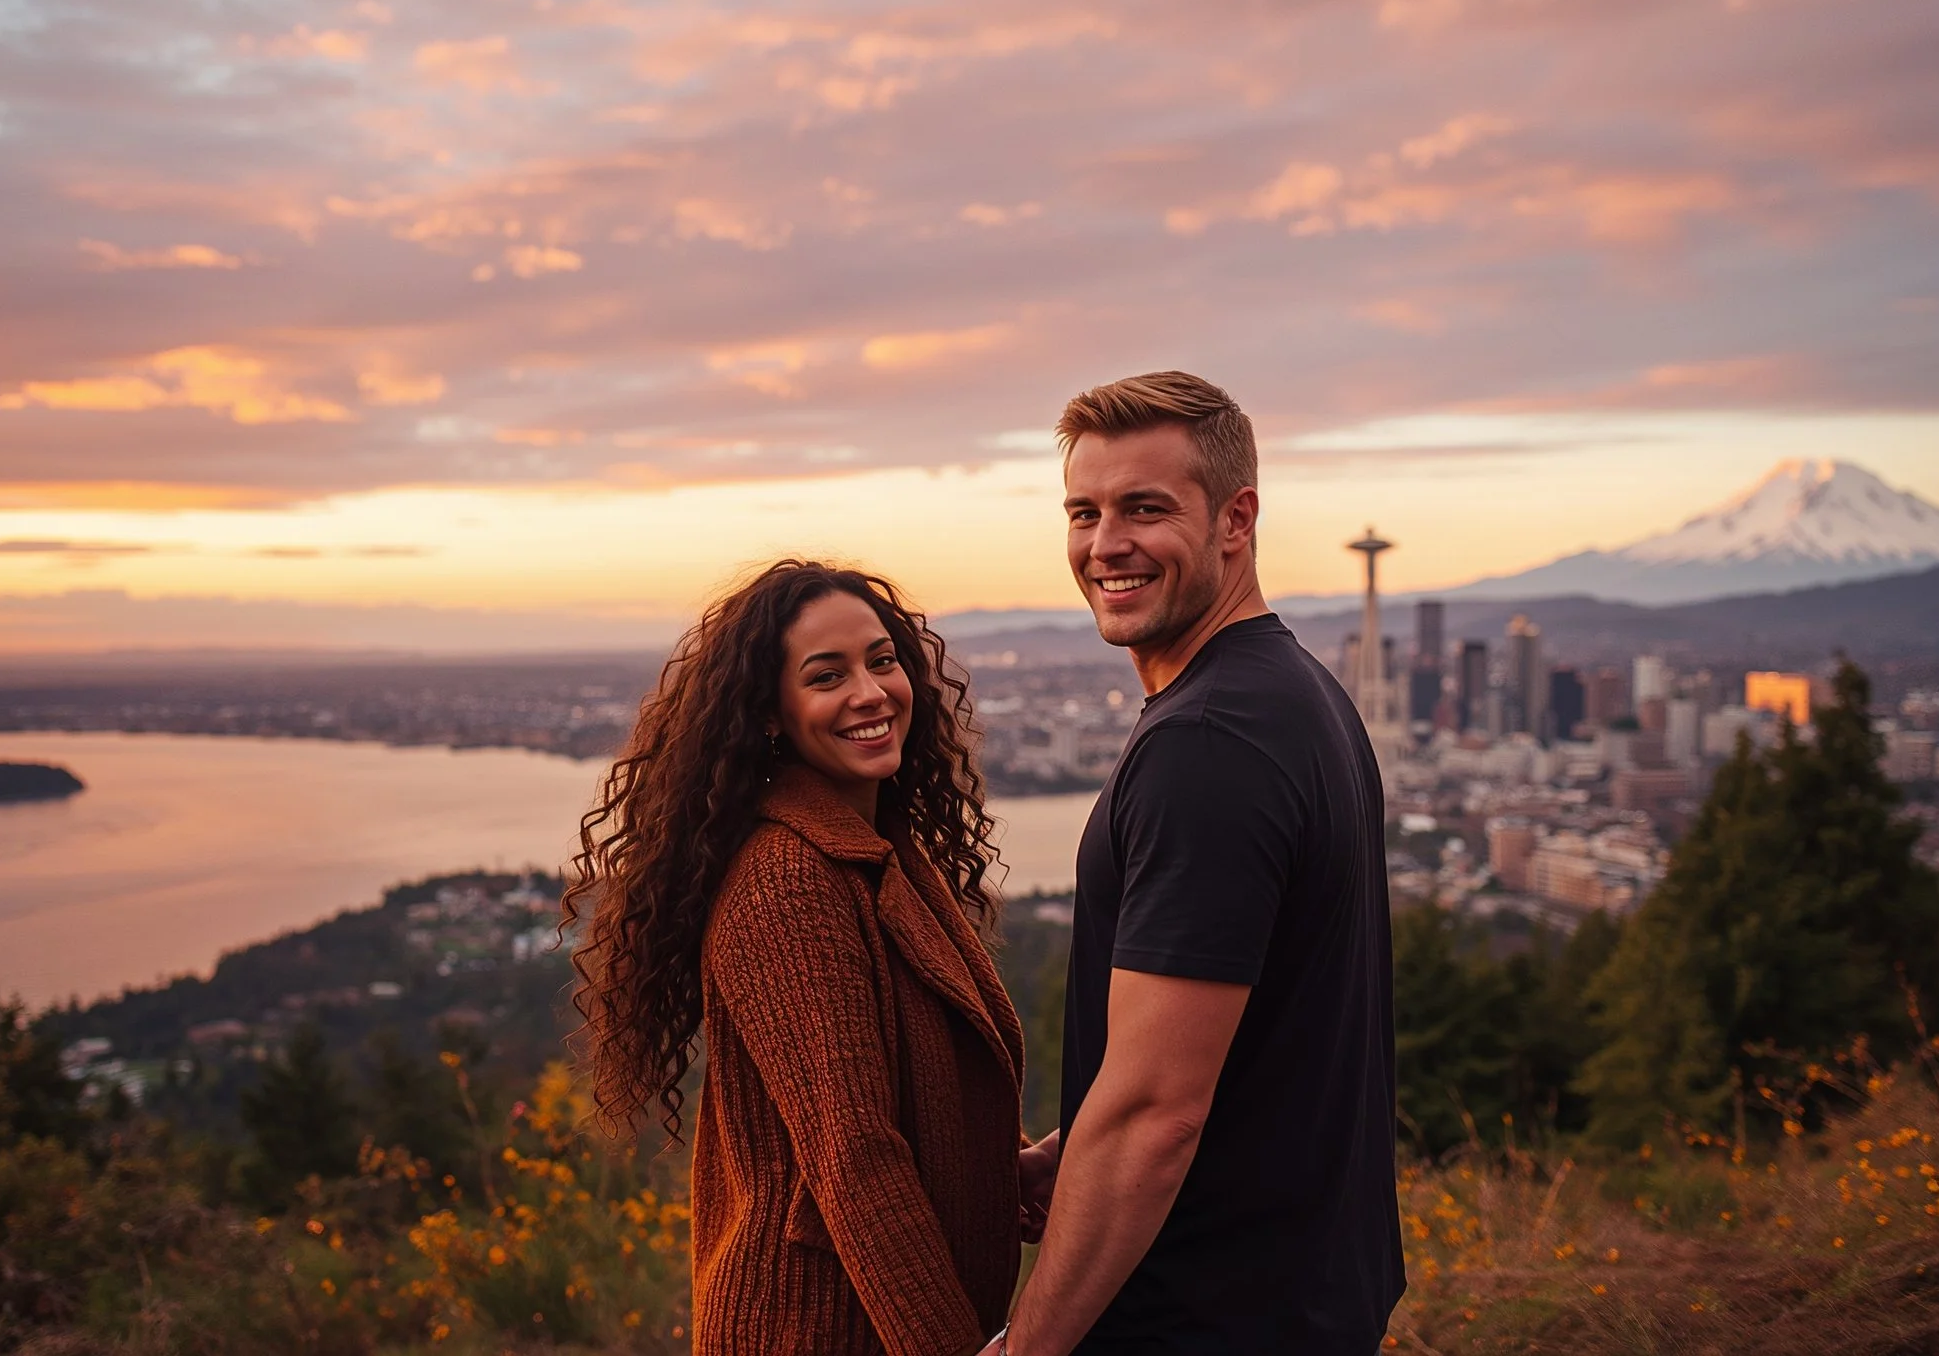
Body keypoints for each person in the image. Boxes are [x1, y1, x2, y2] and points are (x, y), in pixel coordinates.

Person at [988, 372, 1405, 1354]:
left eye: (1145, 508)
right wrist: (1074, 1153)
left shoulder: (1209, 741)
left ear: (1235, 518)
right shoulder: (1295, 692)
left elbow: (1153, 1115)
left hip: (1205, 1317)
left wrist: (1028, 1346)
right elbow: (1243, 1034)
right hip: (1301, 1293)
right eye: (1083, 512)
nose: (1104, 544)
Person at [568, 560, 1028, 1356]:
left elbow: (897, 1105)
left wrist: (1010, 1171)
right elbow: (853, 1156)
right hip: (814, 1329)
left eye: (882, 660)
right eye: (828, 676)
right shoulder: (789, 880)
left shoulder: (879, 853)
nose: (871, 693)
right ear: (772, 714)